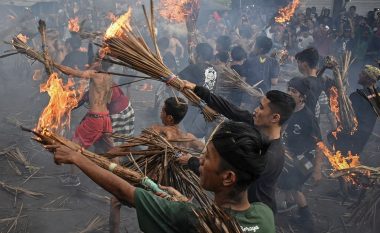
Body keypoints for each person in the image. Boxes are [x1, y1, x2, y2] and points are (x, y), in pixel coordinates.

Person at [48, 121, 275, 233]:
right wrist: (185, 202)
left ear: (228, 178)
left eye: (207, 157)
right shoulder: (264, 216)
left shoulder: (190, 219)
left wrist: (78, 158)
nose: (200, 161)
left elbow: (124, 191)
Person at [179, 80, 296, 213]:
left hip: (253, 212)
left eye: (261, 108)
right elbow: (229, 109)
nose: (256, 110)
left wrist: (192, 161)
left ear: (275, 118)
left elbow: (227, 176)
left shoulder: (271, 156)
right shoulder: (257, 125)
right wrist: (196, 88)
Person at [109, 97, 203, 233]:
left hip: (154, 184)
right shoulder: (188, 138)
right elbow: (204, 150)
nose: (160, 113)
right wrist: (191, 159)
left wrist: (108, 154)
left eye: (162, 110)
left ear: (169, 117)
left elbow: (129, 145)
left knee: (115, 201)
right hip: (177, 188)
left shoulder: (157, 131)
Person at [54, 59, 113, 186]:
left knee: (75, 146)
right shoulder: (109, 78)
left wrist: (53, 63)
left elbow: (71, 72)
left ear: (102, 63)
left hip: (95, 119)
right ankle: (119, 174)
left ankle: (73, 178)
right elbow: (108, 99)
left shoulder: (95, 75)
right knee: (111, 149)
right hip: (106, 117)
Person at [277, 77, 323, 232]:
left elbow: (319, 144)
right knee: (285, 181)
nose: (289, 93)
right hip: (291, 157)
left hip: (305, 160)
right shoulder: (287, 110)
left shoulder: (308, 118)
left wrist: (317, 170)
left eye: (294, 91)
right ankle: (289, 203)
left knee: (296, 186)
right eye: (288, 89)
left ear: (302, 97)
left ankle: (307, 219)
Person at [328, 65, 380, 156]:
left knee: (342, 155)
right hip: (365, 134)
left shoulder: (357, 96)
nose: (359, 75)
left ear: (369, 79)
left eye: (363, 74)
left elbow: (347, 117)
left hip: (351, 134)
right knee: (351, 157)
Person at [240, 36, 279, 109]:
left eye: (255, 45)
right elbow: (274, 82)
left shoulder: (248, 61)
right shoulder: (274, 62)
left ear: (260, 49)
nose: (253, 47)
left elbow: (242, 81)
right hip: (263, 98)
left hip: (248, 98)